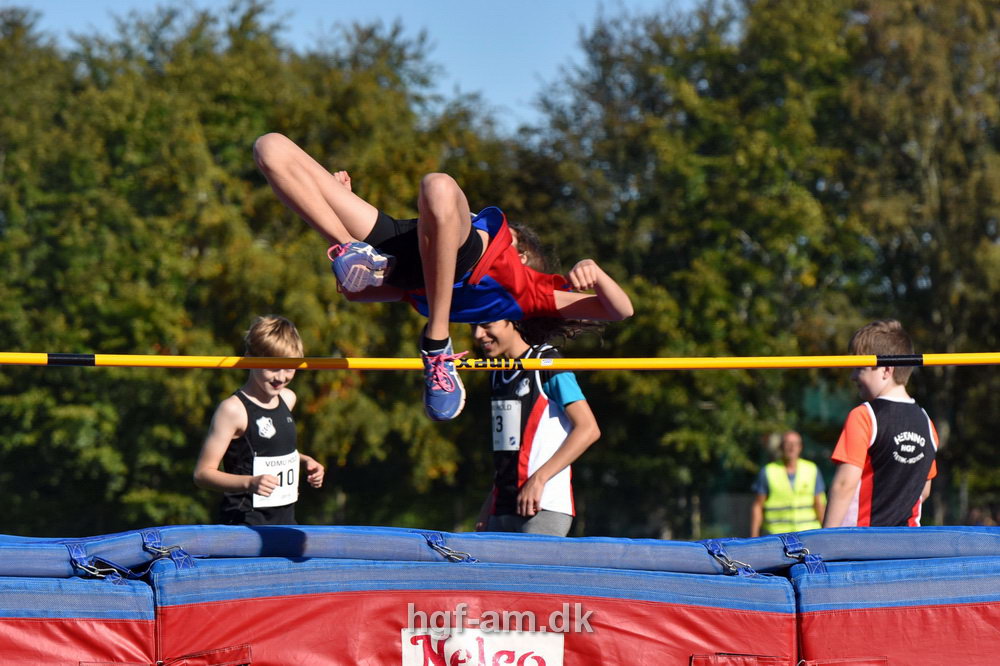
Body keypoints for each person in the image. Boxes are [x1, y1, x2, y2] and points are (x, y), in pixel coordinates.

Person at [252, 133, 634, 422]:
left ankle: (436, 345)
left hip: (435, 262)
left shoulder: (528, 293)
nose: (508, 233)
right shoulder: (445, 275)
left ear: (521, 256)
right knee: (270, 148)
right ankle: (348, 246)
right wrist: (337, 227)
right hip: (406, 247)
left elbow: (619, 311)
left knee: (438, 186)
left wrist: (597, 274)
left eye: (513, 237)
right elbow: (356, 287)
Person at [471, 318, 600, 537]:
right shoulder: (498, 373)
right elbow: (508, 450)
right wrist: (489, 504)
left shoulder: (547, 362)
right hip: (501, 507)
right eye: (472, 326)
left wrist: (539, 479)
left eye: (486, 325)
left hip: (542, 507)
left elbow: (588, 429)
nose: (477, 334)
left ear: (511, 321)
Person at [193, 315, 325, 525]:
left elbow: (268, 451)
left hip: (285, 520)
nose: (281, 377)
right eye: (272, 367)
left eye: (289, 368)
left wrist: (304, 460)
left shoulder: (288, 398)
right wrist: (250, 483)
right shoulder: (233, 410)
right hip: (245, 522)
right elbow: (202, 474)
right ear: (249, 358)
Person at [823, 319, 939, 528]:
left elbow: (844, 485)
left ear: (886, 370)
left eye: (860, 368)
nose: (852, 376)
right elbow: (924, 490)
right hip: (909, 541)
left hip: (863, 541)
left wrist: (825, 539)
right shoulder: (927, 423)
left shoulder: (863, 416)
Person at [749, 430, 826, 537]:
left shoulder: (812, 469)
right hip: (777, 537)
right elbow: (758, 506)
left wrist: (826, 534)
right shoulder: (768, 471)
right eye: (788, 443)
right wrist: (754, 538)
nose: (792, 447)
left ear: (800, 447)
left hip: (808, 535)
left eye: (795, 444)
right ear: (781, 447)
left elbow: (820, 505)